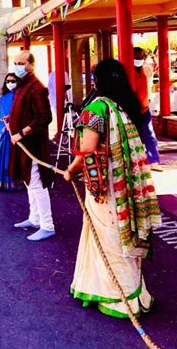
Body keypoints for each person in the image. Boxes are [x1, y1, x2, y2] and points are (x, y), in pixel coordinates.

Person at [64, 59, 161, 318]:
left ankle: (119, 299)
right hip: (124, 184)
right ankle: (136, 294)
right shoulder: (124, 107)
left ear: (97, 82)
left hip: (105, 188)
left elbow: (87, 148)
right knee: (124, 233)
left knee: (110, 238)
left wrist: (70, 170)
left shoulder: (97, 108)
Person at [8, 51, 55, 241]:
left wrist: (21, 133)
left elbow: (45, 117)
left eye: (21, 63)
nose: (17, 66)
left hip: (32, 145)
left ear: (31, 65)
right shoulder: (23, 85)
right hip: (22, 144)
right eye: (15, 62)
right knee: (29, 183)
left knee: (37, 184)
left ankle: (47, 224)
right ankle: (34, 218)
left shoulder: (37, 87)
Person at [133, 46, 162, 171]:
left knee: (149, 134)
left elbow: (148, 87)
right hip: (130, 108)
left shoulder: (146, 69)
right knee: (133, 136)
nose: (139, 59)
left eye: (141, 56)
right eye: (136, 57)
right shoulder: (127, 70)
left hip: (144, 107)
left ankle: (153, 160)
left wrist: (146, 103)